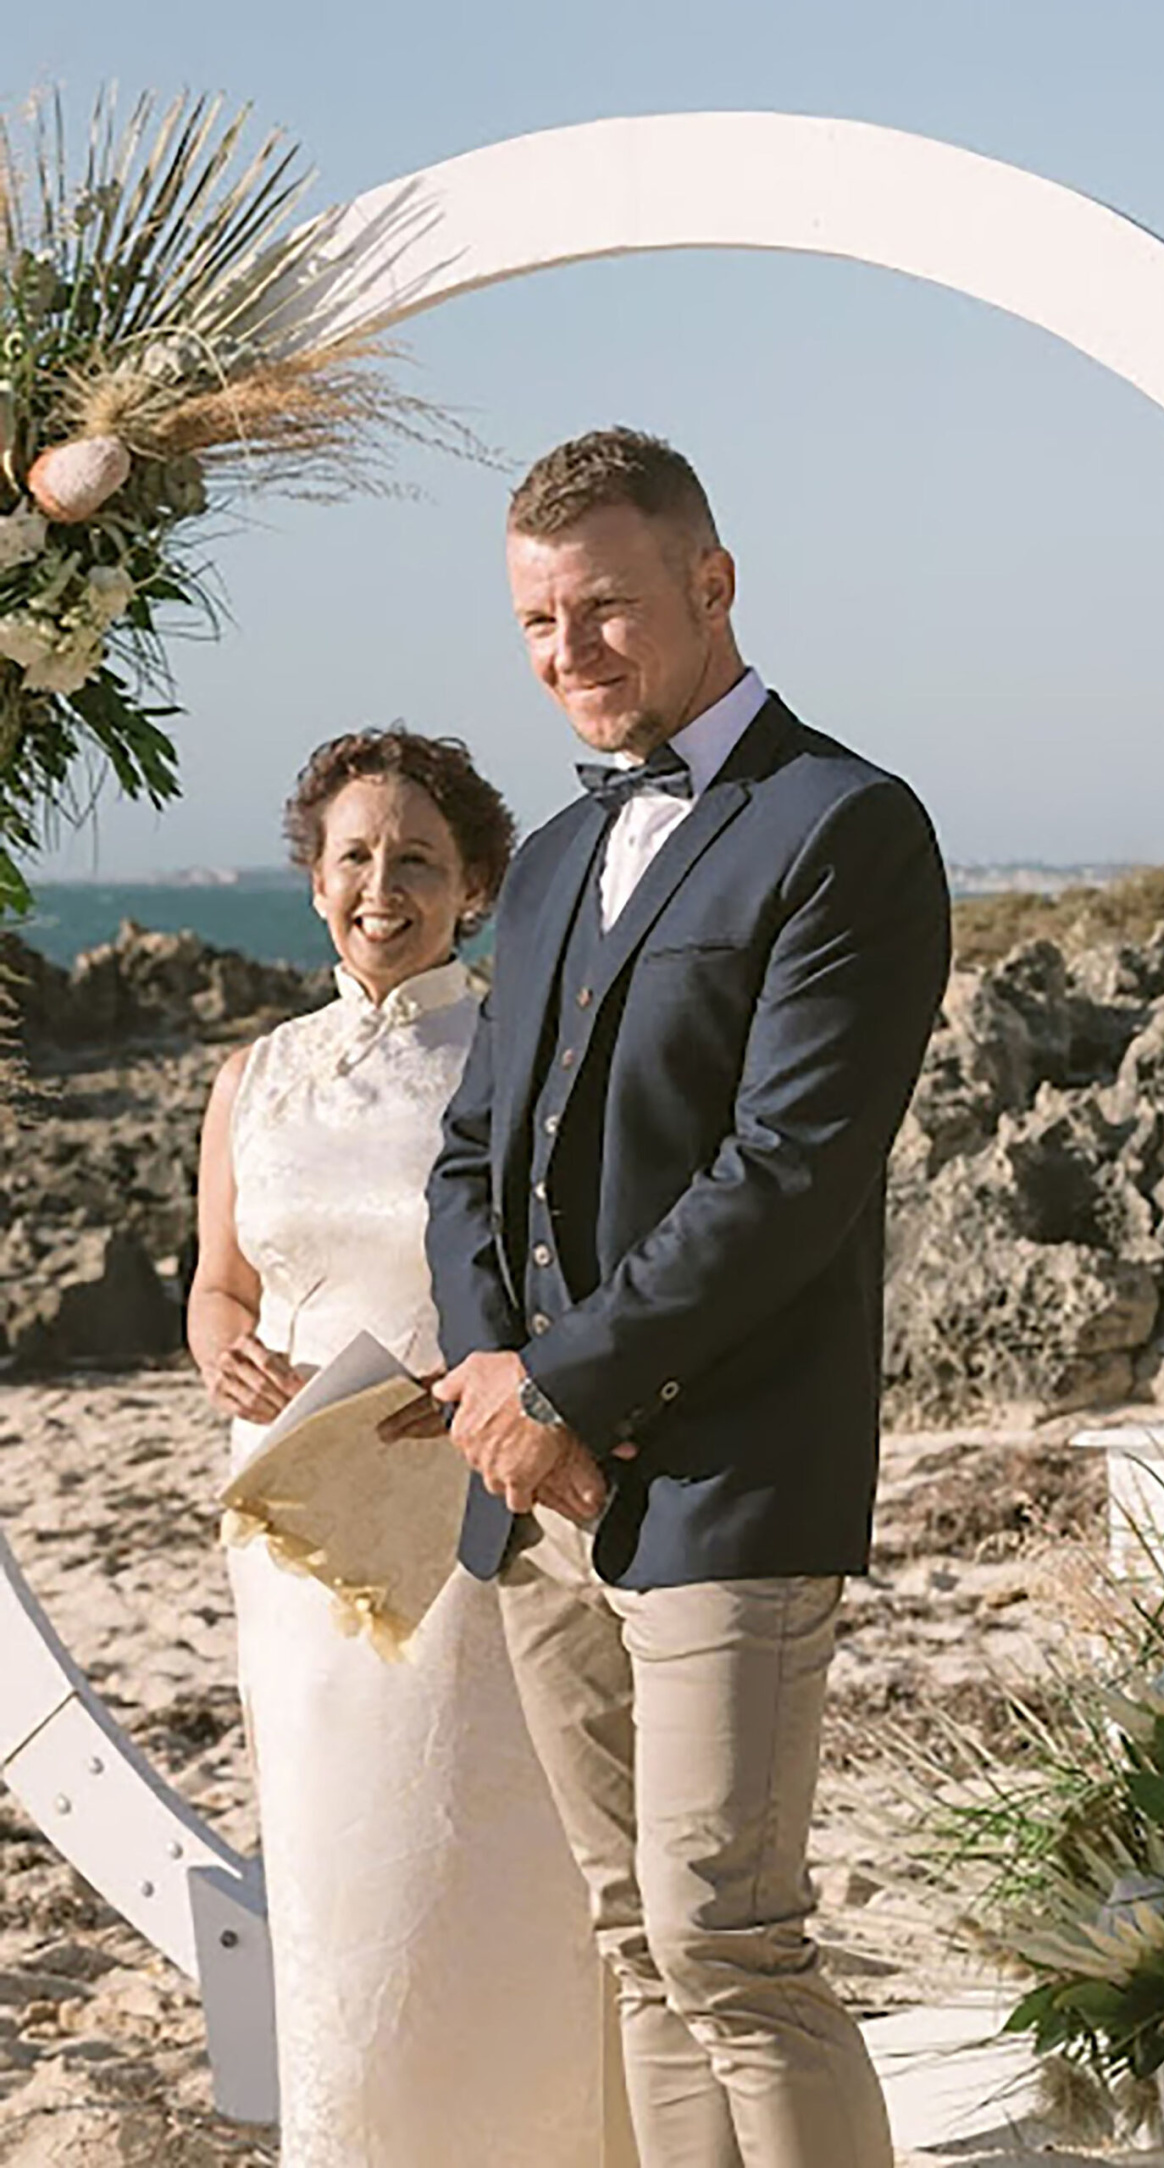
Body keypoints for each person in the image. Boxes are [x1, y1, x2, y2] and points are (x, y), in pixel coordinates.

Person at [424, 426, 951, 2168]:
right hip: (536, 1489)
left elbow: (790, 1175)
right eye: (536, 623)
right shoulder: (558, 858)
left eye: (606, 610)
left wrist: (562, 1391)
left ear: (711, 586)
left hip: (730, 1474)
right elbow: (472, 1151)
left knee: (729, 1940)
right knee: (633, 1950)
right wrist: (500, 1375)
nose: (570, 653)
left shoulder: (846, 827)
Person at [189, 729, 612, 2168]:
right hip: (300, 1528)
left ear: (474, 887)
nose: (384, 885)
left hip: (471, 1494)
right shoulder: (251, 1078)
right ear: (312, 882)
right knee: (335, 1856)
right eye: (356, 856)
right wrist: (214, 1344)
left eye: (417, 859)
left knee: (487, 1845)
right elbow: (219, 1279)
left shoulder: (510, 1052)